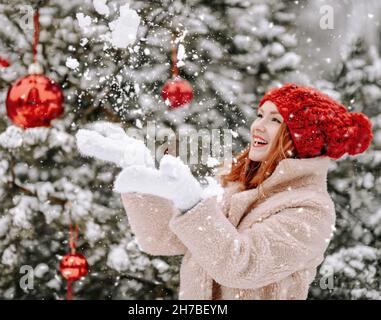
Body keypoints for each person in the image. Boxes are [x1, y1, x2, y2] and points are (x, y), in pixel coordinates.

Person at [76, 83, 373, 300]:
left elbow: (242, 265)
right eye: (260, 114)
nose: (258, 126)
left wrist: (192, 203)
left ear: (301, 139)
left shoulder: (310, 209)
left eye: (275, 120)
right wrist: (139, 170)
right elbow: (162, 239)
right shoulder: (235, 187)